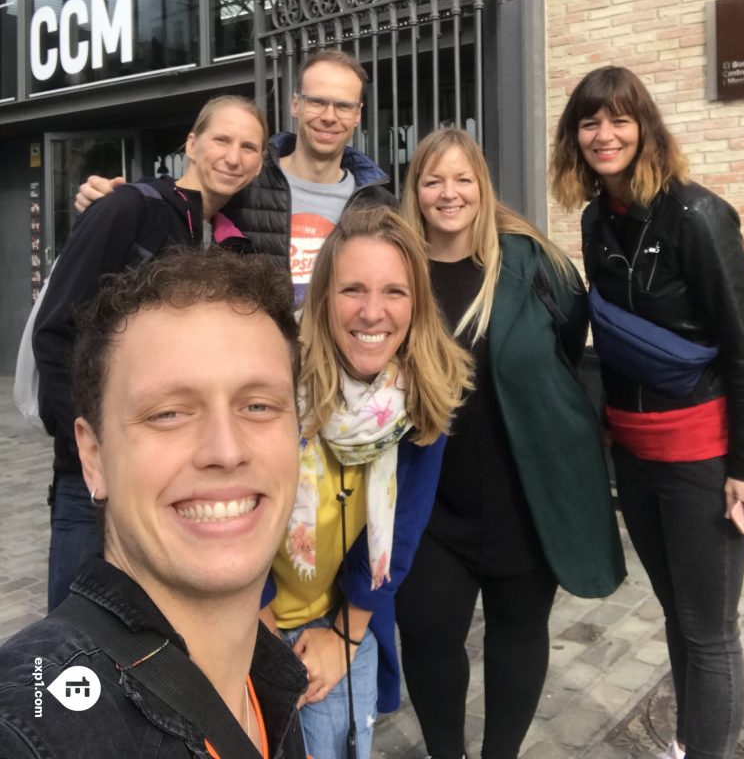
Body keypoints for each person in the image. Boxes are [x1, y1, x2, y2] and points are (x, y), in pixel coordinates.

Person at [0, 250, 308, 758]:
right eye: (168, 414)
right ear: (93, 457)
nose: (225, 451)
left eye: (258, 405)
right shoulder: (28, 729)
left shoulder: (263, 682)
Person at [550, 65, 744, 759]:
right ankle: (688, 740)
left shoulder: (698, 216)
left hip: (702, 457)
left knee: (709, 631)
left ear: (644, 127)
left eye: (618, 119)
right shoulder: (595, 220)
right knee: (676, 615)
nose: (603, 134)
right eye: (589, 121)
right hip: (636, 456)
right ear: (573, 136)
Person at [396, 127, 625, 759]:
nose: (449, 193)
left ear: (483, 186)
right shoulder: (396, 263)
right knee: (428, 635)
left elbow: (566, 348)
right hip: (427, 503)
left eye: (462, 179)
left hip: (524, 494)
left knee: (518, 632)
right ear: (415, 189)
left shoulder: (535, 262)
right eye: (433, 180)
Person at [33, 94, 266, 610]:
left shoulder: (233, 241)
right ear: (191, 143)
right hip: (96, 480)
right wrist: (91, 455)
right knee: (77, 645)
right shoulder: (128, 207)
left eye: (249, 147)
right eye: (222, 139)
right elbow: (54, 331)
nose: (234, 156)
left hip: (172, 475)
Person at [260, 205, 473, 759]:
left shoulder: (423, 393)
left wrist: (344, 636)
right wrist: (258, 642)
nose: (372, 313)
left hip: (340, 616)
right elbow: (236, 508)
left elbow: (399, 535)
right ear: (324, 296)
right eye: (353, 289)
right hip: (244, 614)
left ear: (417, 303)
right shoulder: (276, 381)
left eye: (394, 292)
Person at [76, 49, 395, 304]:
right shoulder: (244, 179)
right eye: (317, 102)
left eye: (342, 106)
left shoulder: (379, 203)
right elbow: (181, 199)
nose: (328, 116)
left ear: (357, 115)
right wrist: (115, 200)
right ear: (296, 104)